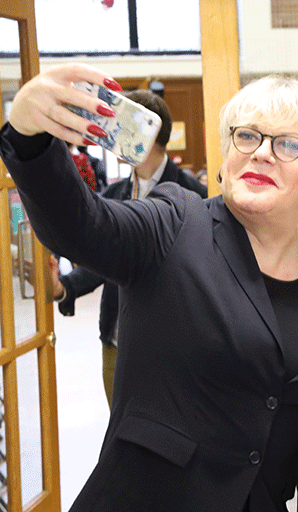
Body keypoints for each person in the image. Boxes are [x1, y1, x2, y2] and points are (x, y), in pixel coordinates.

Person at [0, 63, 298, 512]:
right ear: (227, 154)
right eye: (247, 136)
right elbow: (82, 226)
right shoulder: (175, 222)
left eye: (287, 144)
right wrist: (30, 135)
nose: (261, 153)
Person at [50, 89, 208, 406]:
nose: (113, 135)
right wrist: (61, 287)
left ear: (146, 131)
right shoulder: (114, 194)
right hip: (117, 341)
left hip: (179, 347)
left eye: (121, 126)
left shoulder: (197, 198)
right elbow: (102, 261)